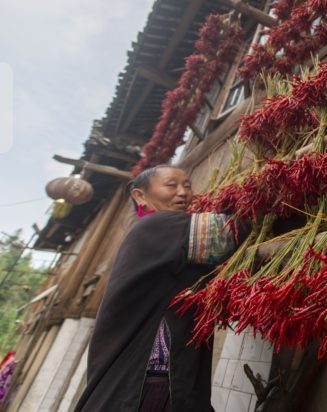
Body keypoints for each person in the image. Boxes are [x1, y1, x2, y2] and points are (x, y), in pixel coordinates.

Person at [74, 165, 239, 412]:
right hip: (150, 376)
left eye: (187, 186)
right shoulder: (156, 225)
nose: (183, 193)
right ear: (140, 196)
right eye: (171, 185)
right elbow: (226, 236)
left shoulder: (160, 232)